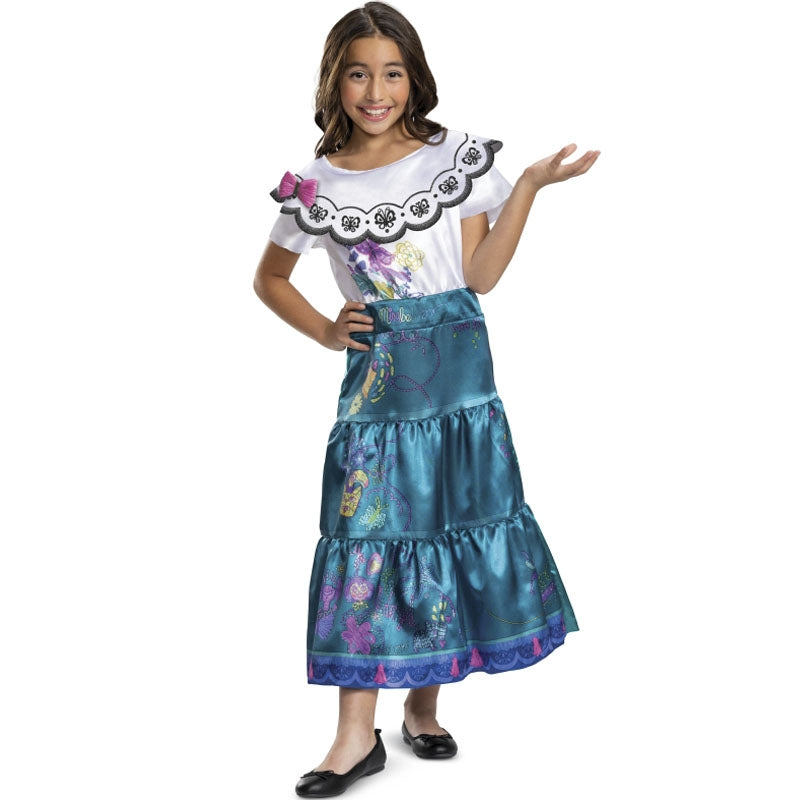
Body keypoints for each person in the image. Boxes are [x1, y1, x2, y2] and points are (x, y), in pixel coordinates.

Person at [253, 3, 599, 796]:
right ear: (334, 81)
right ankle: (353, 736)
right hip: (380, 386)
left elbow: (481, 277)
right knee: (368, 536)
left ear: (415, 78)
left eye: (393, 73)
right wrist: (325, 330)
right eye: (358, 73)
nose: (376, 91)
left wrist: (529, 187)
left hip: (461, 381)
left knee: (443, 528)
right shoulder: (314, 184)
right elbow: (269, 278)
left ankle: (423, 706)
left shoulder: (454, 158)